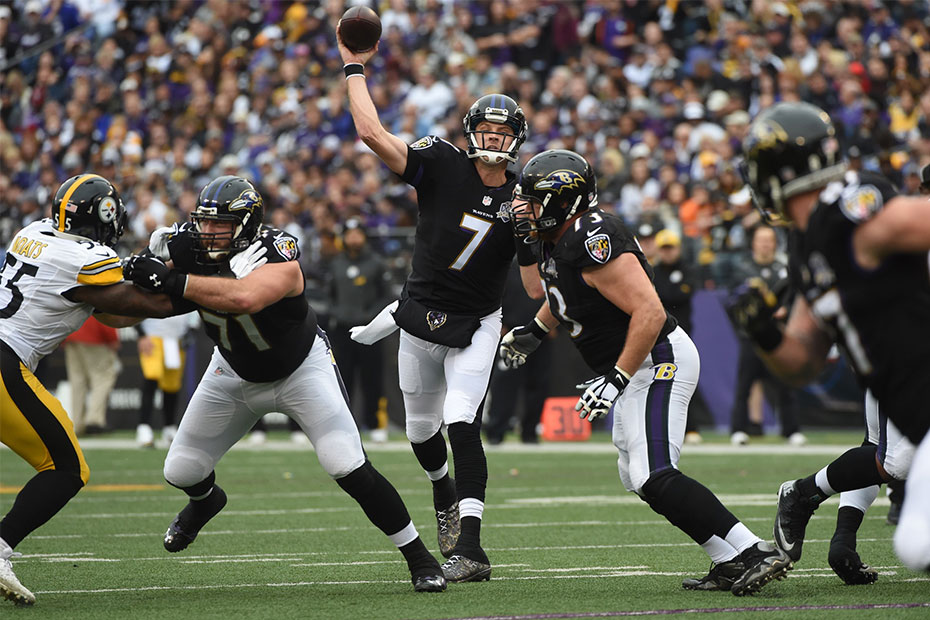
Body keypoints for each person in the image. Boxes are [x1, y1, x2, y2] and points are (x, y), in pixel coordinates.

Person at [121, 175, 446, 593]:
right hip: (233, 371)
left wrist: (168, 278)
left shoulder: (277, 249)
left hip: (300, 368)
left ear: (247, 223)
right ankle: (206, 502)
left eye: (220, 224)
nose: (208, 232)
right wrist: (135, 264)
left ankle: (419, 557)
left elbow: (244, 298)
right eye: (204, 222)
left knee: (345, 463)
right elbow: (130, 306)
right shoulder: (188, 249)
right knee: (181, 470)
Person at [501, 149, 790, 596]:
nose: (524, 209)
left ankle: (754, 550)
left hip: (657, 359)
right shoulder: (558, 237)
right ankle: (729, 559)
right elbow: (544, 289)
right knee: (636, 476)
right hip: (634, 366)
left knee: (655, 474)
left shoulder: (593, 236)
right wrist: (537, 331)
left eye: (533, 201)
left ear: (564, 201)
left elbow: (650, 311)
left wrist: (616, 377)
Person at [338, 30, 535, 582]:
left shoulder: (525, 197)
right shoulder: (441, 162)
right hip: (419, 314)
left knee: (460, 421)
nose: (493, 139)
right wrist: (355, 67)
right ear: (470, 133)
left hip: (477, 324)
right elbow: (371, 133)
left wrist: (529, 239)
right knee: (421, 433)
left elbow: (536, 288)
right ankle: (441, 490)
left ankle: (470, 548)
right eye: (486, 129)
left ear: (516, 140)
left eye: (503, 132)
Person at [730, 101, 930, 575]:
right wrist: (764, 333)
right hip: (917, 420)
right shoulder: (808, 242)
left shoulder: (847, 211)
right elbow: (801, 361)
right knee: (917, 546)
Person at [0, 174, 177, 606]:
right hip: (4, 361)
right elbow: (138, 302)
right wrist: (196, 281)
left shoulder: (33, 233)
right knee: (66, 469)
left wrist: (152, 269)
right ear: (104, 215)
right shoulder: (84, 258)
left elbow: (113, 312)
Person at [728, 224, 805, 447]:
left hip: (778, 335)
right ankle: (739, 429)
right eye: (761, 240)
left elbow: (793, 298)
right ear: (753, 243)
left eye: (769, 240)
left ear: (774, 243)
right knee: (744, 383)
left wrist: (785, 311)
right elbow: (732, 300)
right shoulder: (742, 268)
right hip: (751, 335)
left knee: (785, 383)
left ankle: (791, 430)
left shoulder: (784, 268)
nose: (765, 244)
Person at [327, 218, 390, 442]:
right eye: (349, 234)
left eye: (357, 234)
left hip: (370, 331)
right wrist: (338, 313)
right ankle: (344, 425)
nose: (353, 238)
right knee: (343, 379)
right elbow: (329, 295)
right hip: (342, 330)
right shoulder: (336, 264)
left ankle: (375, 424)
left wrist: (369, 317)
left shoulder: (376, 263)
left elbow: (386, 295)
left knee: (372, 378)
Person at [650, 229, 709, 444]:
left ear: (678, 248)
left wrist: (661, 292)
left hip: (682, 334)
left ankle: (690, 428)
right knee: (655, 380)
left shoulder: (687, 270)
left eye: (670, 248)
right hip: (655, 335)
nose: (667, 253)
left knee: (685, 379)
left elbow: (678, 295)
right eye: (663, 248)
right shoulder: (652, 271)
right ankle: (660, 428)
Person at [484, 259, 552, 445]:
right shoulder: (509, 268)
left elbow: (559, 295)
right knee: (505, 384)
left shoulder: (549, 267)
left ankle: (530, 432)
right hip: (512, 333)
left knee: (538, 383)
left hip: (542, 334)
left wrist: (556, 325)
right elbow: (497, 294)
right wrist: (500, 322)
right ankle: (496, 430)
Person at [135, 313, 199, 448]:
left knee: (172, 385)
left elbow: (194, 311)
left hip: (177, 338)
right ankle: (144, 427)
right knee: (152, 377)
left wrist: (191, 330)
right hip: (152, 335)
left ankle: (169, 428)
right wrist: (141, 333)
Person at [62, 315, 121, 435]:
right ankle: (94, 421)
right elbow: (104, 312)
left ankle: (77, 424)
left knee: (77, 381)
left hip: (72, 335)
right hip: (95, 337)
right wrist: (112, 339)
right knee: (103, 378)